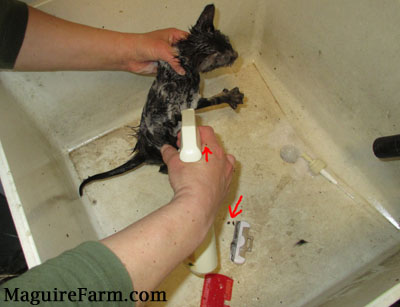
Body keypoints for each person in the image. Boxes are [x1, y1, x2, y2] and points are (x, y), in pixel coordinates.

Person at [0, 1, 236, 306]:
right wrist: (197, 204)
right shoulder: (185, 80)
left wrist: (132, 48)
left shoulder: (182, 72)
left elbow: (6, 27)